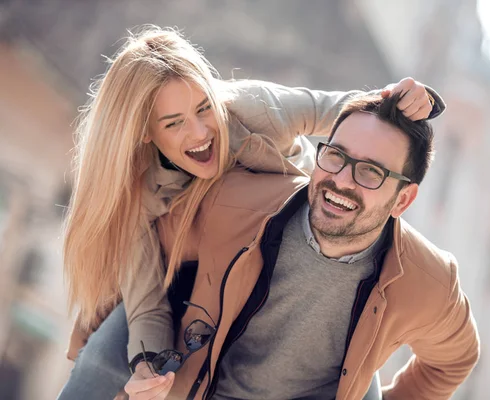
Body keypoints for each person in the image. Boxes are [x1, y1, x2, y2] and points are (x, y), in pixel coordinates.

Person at [58, 26, 442, 399]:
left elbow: (348, 113)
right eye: (174, 124)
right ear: (145, 132)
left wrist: (405, 100)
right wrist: (147, 365)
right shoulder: (137, 192)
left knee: (355, 366)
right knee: (97, 366)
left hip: (286, 263)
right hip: (185, 286)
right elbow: (147, 302)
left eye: (204, 108)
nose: (199, 133)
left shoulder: (254, 109)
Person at [142, 92, 479, 400]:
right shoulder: (233, 201)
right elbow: (146, 261)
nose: (342, 180)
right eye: (335, 156)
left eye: (371, 172)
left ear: (402, 200)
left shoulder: (430, 281)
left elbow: (453, 360)